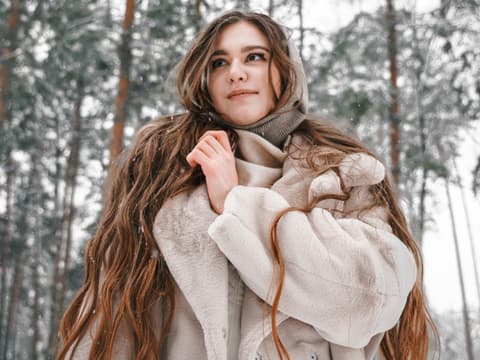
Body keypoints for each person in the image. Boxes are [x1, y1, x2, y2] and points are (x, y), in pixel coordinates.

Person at [58, 10, 438, 360]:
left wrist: (236, 206)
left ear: (285, 71)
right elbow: (114, 317)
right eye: (219, 62)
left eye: (254, 57)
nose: (235, 72)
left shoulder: (342, 173)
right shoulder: (162, 168)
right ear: (204, 78)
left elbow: (371, 299)